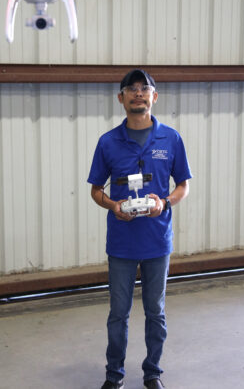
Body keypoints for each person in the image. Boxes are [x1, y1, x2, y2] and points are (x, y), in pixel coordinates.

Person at [87, 69, 192, 389]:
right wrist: (113, 206)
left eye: (144, 89)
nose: (138, 94)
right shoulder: (108, 142)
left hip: (157, 240)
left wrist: (165, 203)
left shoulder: (171, 138)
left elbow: (183, 185)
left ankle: (152, 372)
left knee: (155, 312)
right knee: (118, 312)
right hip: (121, 242)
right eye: (130, 90)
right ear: (121, 98)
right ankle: (114, 374)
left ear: (154, 97)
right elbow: (95, 190)